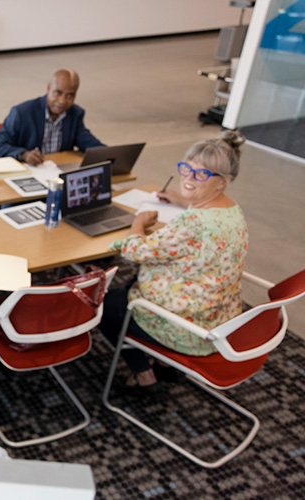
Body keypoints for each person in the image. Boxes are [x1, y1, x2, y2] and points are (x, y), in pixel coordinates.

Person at [99, 131, 248, 390]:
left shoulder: (193, 224)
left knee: (102, 303)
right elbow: (202, 229)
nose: (188, 178)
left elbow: (134, 250)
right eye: (186, 169)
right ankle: (167, 366)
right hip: (219, 320)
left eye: (201, 175)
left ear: (223, 181)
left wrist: (139, 222)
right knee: (129, 287)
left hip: (189, 331)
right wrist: (184, 200)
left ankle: (144, 375)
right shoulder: (232, 211)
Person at [0, 68, 104, 166]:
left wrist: (111, 154)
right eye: (58, 93)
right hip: (28, 170)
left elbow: (89, 143)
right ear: (49, 88)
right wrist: (24, 155)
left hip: (57, 172)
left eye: (70, 95)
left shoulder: (75, 114)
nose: (62, 101)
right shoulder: (22, 113)